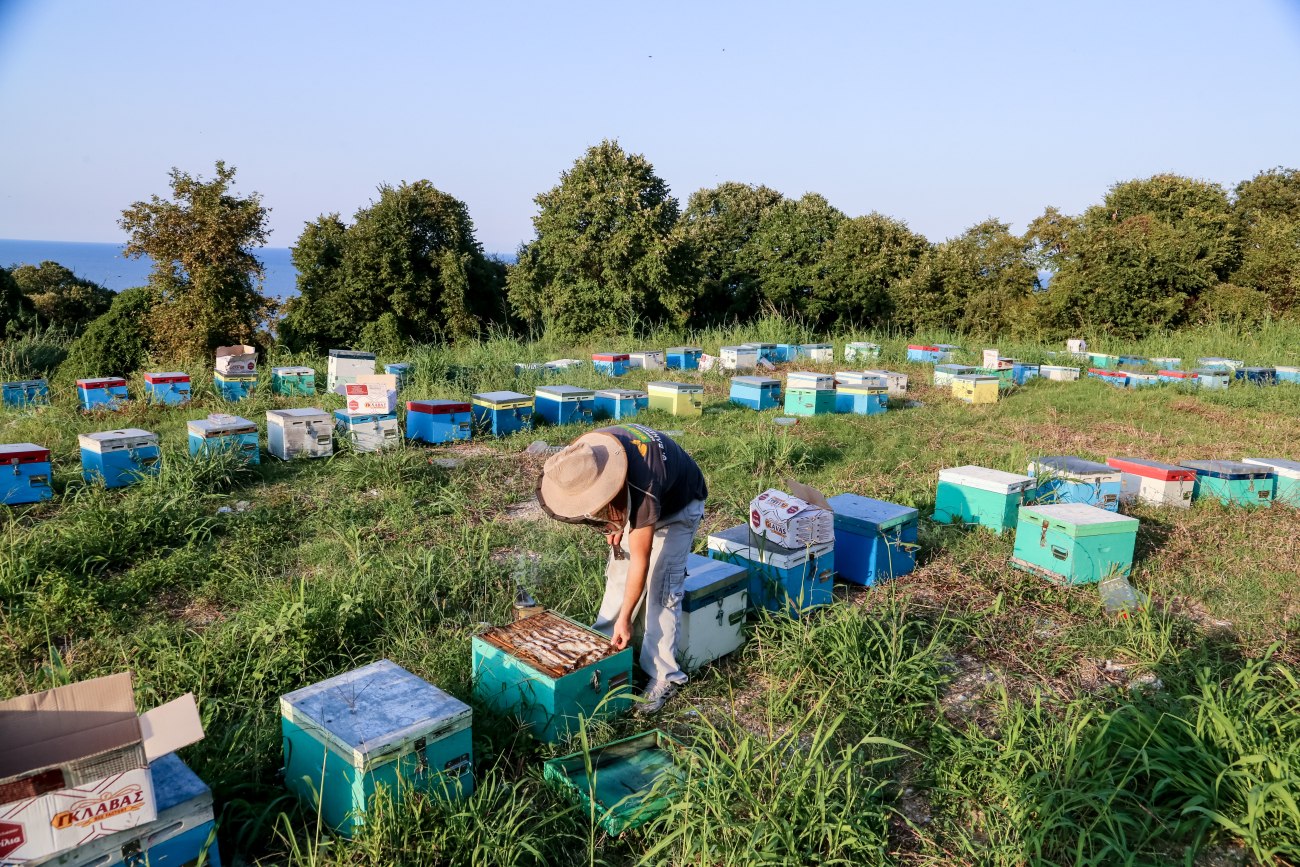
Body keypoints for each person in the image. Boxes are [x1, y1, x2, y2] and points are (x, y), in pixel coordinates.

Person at [536, 423, 708, 713]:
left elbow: (641, 559)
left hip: (679, 506)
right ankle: (605, 647)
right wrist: (611, 522)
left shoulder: (644, 483)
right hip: (642, 494)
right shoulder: (584, 452)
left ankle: (665, 675)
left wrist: (626, 617)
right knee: (618, 573)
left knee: (661, 587)